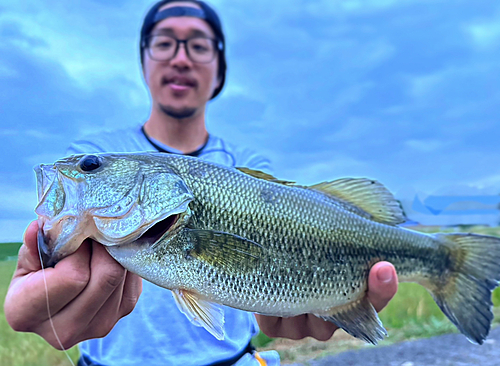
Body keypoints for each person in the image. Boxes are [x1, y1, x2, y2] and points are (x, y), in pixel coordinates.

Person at [4, 1, 399, 365]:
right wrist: (41, 282)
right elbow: (50, 251)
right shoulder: (95, 148)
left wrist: (323, 306)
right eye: (164, 43)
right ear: (143, 61)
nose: (180, 58)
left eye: (198, 46)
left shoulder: (245, 167)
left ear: (220, 68)